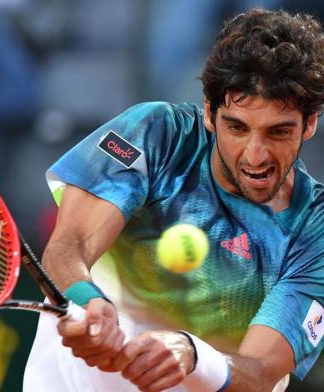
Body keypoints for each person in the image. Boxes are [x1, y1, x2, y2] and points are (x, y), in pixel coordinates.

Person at [24, 8, 324, 392]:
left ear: (310, 123)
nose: (256, 155)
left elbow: (261, 372)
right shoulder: (154, 134)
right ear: (210, 113)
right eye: (237, 127)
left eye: (278, 132)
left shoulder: (313, 229)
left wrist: (193, 354)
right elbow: (70, 246)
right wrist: (88, 300)